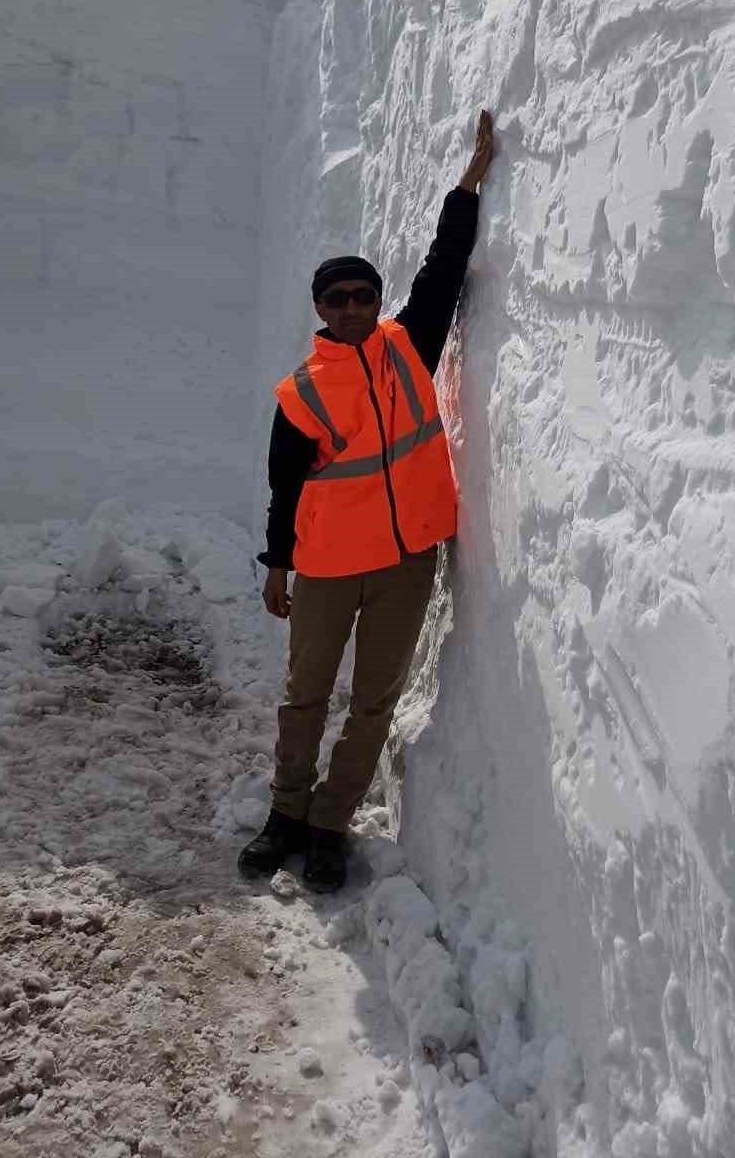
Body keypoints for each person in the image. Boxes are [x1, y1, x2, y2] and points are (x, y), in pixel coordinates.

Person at [240, 110, 497, 891]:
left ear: (375, 300)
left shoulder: (407, 347)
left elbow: (442, 270)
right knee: (306, 698)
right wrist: (277, 565)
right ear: (320, 309)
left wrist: (467, 185)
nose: (352, 306)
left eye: (362, 295)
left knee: (374, 703)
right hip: (324, 567)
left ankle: (328, 823)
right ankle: (284, 813)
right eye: (337, 298)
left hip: (405, 562)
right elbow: (285, 486)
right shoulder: (302, 394)